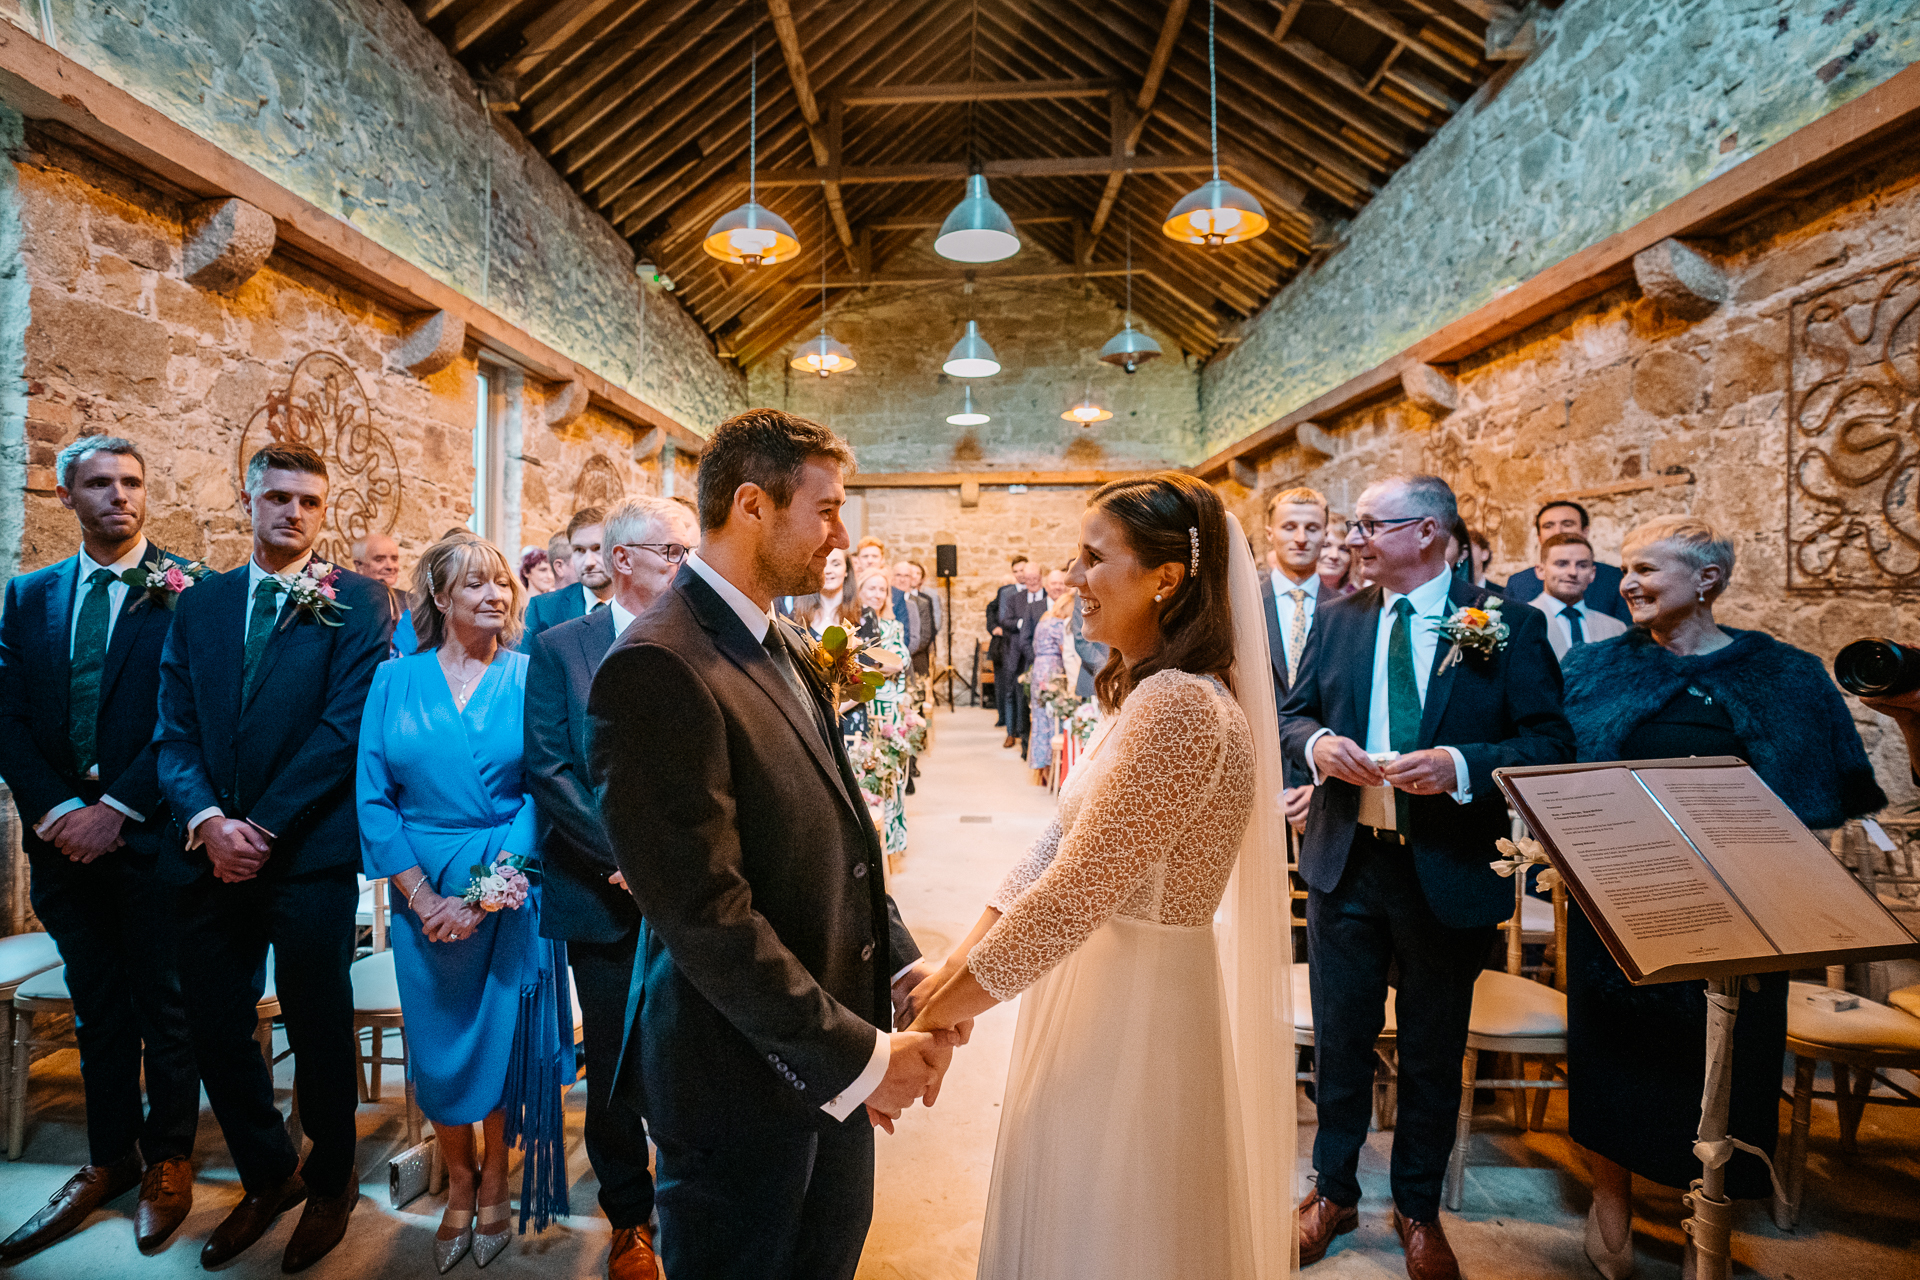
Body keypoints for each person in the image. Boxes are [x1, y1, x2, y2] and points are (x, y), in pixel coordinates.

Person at [904, 472, 1294, 1280]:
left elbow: (1072, 897)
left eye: (1091, 559)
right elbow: (1049, 850)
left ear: (1166, 578)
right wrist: (947, 977)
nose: (1071, 580)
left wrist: (929, 1024)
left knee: (1112, 1226)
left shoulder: (1182, 708)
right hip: (1099, 988)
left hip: (1137, 1011)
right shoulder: (1151, 693)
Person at [587, 408, 946, 1280]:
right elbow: (707, 915)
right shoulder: (657, 667)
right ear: (752, 504)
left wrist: (897, 964)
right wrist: (860, 1061)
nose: (841, 532)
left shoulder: (781, 639)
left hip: (827, 1053)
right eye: (825, 509)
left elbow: (843, 833)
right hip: (737, 1086)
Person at [1557, 515, 1887, 1280]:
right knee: (1614, 1057)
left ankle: (1708, 1215)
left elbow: (1812, 795)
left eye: (1646, 569)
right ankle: (1611, 1204)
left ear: (1707, 580)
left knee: (1721, 1066)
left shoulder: (1784, 675)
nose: (1628, 584)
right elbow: (1561, 773)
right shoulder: (1594, 669)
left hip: (1738, 911)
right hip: (1619, 901)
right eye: (1624, 570)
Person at [1279, 474, 1573, 1279]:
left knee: (1433, 1049)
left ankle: (1416, 1208)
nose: (1355, 538)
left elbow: (1550, 743)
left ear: (1431, 533)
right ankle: (1332, 1191)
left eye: (1373, 524)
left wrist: (1461, 764)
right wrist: (1316, 747)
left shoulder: (1505, 624)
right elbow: (1291, 714)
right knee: (1340, 1040)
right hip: (1348, 861)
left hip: (1446, 869)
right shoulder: (1339, 619)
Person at [153, 441, 393, 1272]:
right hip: (209, 854)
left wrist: (261, 828)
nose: (294, 512)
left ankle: (331, 1182)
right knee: (215, 1027)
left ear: (324, 512)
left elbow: (343, 728)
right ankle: (268, 1173)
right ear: (248, 500)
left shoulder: (360, 601)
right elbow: (172, 729)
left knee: (317, 1023)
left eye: (310, 502)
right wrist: (210, 821)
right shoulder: (203, 603)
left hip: (309, 856)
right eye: (279, 497)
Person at [0, 437, 199, 1260]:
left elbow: (186, 718)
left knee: (167, 1005)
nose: (119, 496)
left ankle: (171, 1160)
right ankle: (107, 1157)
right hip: (61, 850)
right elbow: (7, 711)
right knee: (97, 1009)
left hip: (148, 836)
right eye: (100, 484)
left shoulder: (189, 592)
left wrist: (116, 806)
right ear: (65, 497)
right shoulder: (30, 594)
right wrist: (53, 812)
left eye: (132, 482)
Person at [357, 534, 569, 1271]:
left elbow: (543, 788)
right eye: (476, 584)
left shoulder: (529, 674)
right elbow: (373, 797)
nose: (495, 596)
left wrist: (484, 895)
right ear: (440, 597)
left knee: (504, 1045)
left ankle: (496, 1186)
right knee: (440, 1044)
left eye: (502, 585)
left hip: (507, 886)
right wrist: (421, 898)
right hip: (421, 889)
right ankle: (456, 1184)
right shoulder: (393, 682)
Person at [525, 498, 696, 1280]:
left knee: (691, 1050)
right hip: (601, 891)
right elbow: (552, 769)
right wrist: (622, 858)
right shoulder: (562, 646)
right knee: (617, 1059)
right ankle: (630, 1218)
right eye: (672, 551)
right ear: (622, 559)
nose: (686, 565)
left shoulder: (705, 639)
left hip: (695, 891)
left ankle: (694, 1197)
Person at [1262, 487, 1331, 829]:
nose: (1301, 538)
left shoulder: (1348, 611)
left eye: (1313, 528)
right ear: (1270, 533)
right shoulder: (1240, 607)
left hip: (1324, 785)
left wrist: (1319, 785)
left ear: (1326, 534)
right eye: (1290, 527)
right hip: (1257, 777)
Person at [854, 569, 914, 856]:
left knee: (892, 768)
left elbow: (900, 663)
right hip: (870, 699)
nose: (877, 595)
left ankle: (893, 840)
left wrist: (886, 667)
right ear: (860, 589)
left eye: (882, 590)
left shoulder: (892, 623)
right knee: (871, 764)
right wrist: (884, 667)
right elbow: (872, 663)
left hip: (892, 702)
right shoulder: (859, 620)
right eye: (872, 588)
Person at [1504, 501, 1632, 624]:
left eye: (1567, 524)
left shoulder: (1614, 578)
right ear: (1539, 537)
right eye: (1548, 526)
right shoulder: (1518, 583)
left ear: (1585, 532)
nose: (1557, 531)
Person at [1520, 531, 1627, 662]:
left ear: (1592, 573)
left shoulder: (1616, 628)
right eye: (1562, 564)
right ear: (1541, 570)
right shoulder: (1520, 620)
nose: (1573, 572)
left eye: (1582, 565)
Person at [521, 508, 613, 650]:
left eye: (597, 548)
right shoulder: (544, 609)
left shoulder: (643, 605)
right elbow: (525, 667)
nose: (589, 562)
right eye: (579, 550)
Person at [1025, 580, 1074, 785]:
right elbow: (1066, 649)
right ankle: (1053, 770)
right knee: (1052, 717)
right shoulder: (1058, 624)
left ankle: (1042, 767)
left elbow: (1035, 646)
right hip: (1053, 670)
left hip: (1038, 668)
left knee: (1039, 719)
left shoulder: (1044, 620)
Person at [1003, 561, 1048, 754]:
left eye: (1035, 579)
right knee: (1018, 695)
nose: (1031, 582)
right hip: (1017, 652)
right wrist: (1023, 622)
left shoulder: (1049, 597)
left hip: (1040, 654)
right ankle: (1016, 735)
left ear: (1041, 578)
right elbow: (1005, 620)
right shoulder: (1015, 598)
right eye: (1028, 579)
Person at [354, 532, 419, 658]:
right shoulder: (350, 604)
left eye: (394, 559)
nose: (390, 566)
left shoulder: (412, 602)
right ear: (359, 566)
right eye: (379, 559)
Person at [986, 555, 1029, 729]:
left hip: (1027, 645)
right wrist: (994, 627)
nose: (1019, 574)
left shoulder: (1036, 590)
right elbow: (999, 614)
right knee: (1008, 688)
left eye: (1022, 570)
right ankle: (1011, 730)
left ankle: (1022, 726)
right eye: (1015, 571)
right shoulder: (1006, 592)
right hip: (1008, 644)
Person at [788, 545, 851, 635]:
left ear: (847, 570)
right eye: (822, 564)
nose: (828, 570)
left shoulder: (865, 615)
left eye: (836, 564)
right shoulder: (796, 616)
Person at [893, 560, 936, 677]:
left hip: (915, 656)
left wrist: (904, 654)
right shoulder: (885, 600)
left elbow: (925, 635)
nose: (902, 580)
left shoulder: (921, 603)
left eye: (906, 576)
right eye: (898, 575)